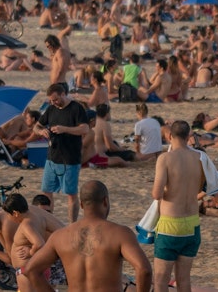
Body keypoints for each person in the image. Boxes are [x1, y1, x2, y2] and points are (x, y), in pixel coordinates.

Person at [20, 180, 152, 292]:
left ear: (82, 205)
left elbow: (31, 270)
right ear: (105, 201)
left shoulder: (60, 236)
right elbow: (144, 269)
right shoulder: (120, 233)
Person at [152, 121, 205, 292]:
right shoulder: (199, 158)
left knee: (161, 280)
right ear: (188, 136)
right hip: (192, 224)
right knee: (184, 280)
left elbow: (157, 194)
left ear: (169, 136)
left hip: (170, 225)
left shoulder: (165, 158)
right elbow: (201, 188)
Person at [38, 83, 90, 221]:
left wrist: (65, 129)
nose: (53, 102)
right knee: (46, 191)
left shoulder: (76, 108)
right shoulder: (51, 109)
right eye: (51, 100)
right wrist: (40, 131)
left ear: (63, 94)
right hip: (51, 158)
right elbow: (37, 126)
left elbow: (85, 129)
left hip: (70, 159)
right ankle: (49, 221)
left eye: (55, 99)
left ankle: (72, 224)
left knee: (71, 194)